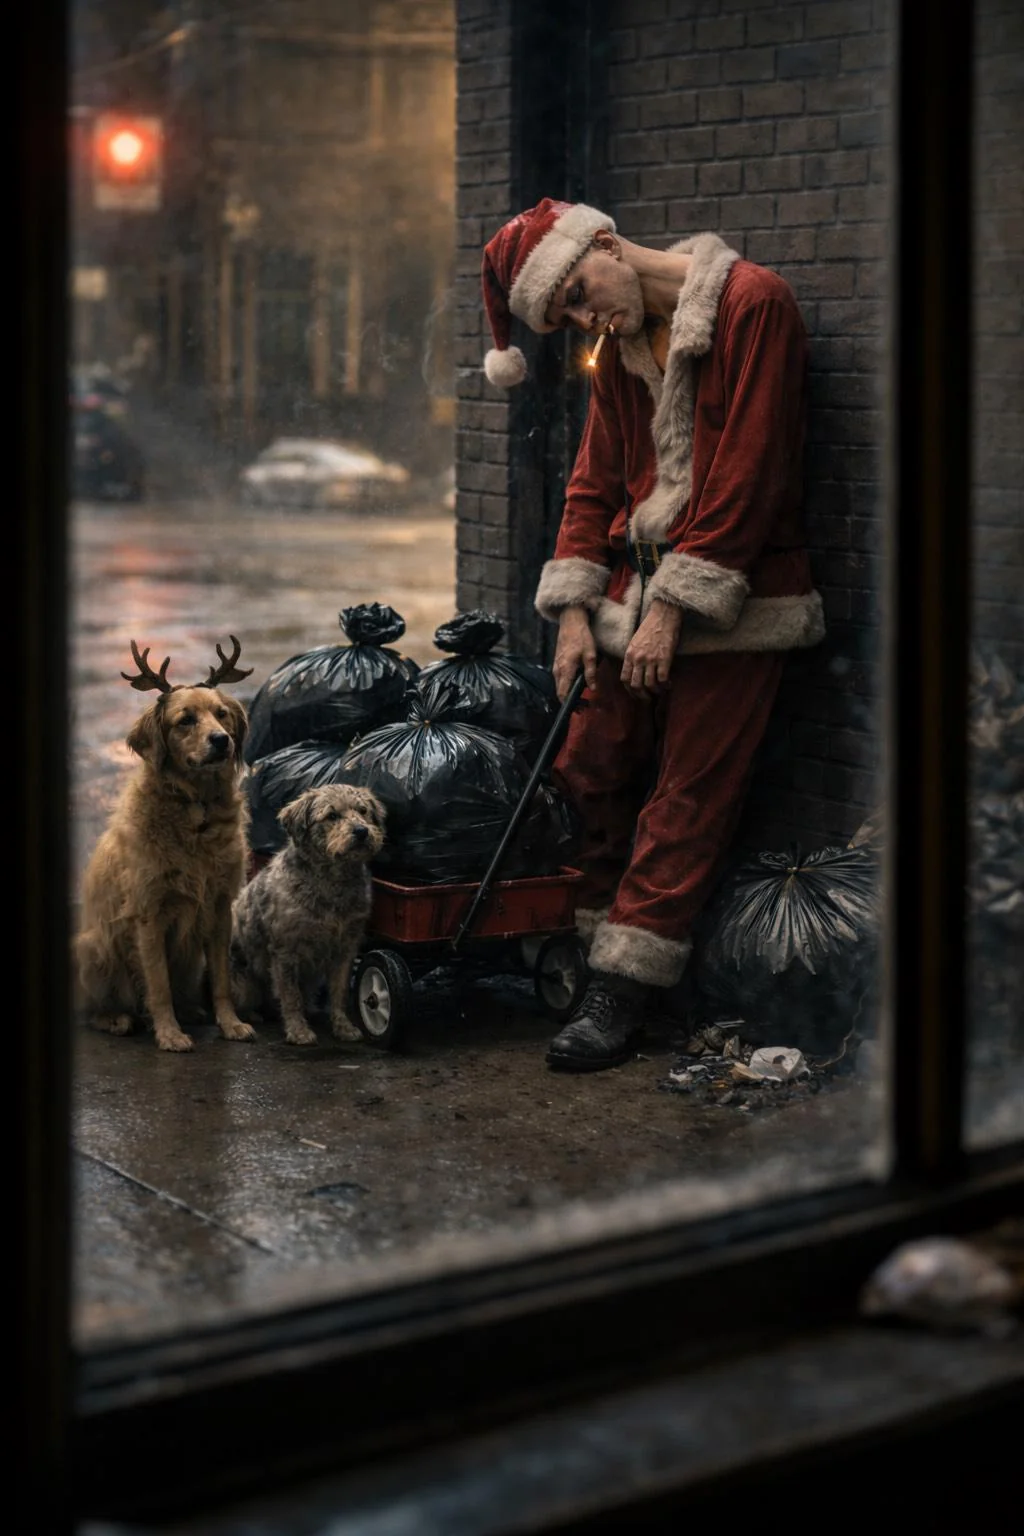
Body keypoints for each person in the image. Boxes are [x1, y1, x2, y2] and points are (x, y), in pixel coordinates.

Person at [480, 199, 825, 1073]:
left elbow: (754, 469)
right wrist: (570, 613)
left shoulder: (754, 303)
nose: (586, 322)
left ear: (603, 244)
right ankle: (583, 939)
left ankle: (621, 990)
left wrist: (673, 607)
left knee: (687, 798)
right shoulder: (619, 348)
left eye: (581, 297)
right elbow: (594, 482)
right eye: (565, 320)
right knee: (588, 760)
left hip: (738, 599)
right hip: (632, 589)